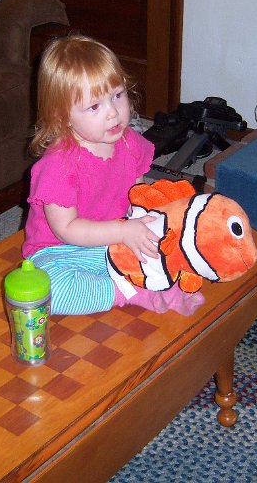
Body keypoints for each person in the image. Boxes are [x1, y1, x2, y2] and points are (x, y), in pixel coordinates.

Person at [22, 34, 205, 316]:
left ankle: (151, 277)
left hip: (115, 241)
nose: (113, 113)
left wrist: (151, 222)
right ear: (62, 116)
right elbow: (66, 229)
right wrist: (123, 232)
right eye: (94, 106)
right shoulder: (57, 166)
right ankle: (129, 289)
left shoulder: (129, 143)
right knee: (48, 291)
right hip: (60, 251)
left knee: (172, 239)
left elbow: (138, 195)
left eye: (117, 95)